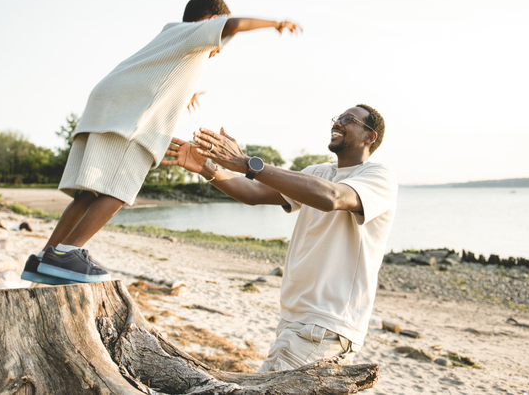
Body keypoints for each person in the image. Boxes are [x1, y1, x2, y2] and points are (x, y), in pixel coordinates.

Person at [21, 0, 301, 285]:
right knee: (119, 187)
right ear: (210, 20)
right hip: (132, 117)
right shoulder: (197, 33)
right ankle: (69, 251)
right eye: (220, 42)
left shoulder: (174, 38)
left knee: (88, 192)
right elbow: (234, 24)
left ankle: (45, 256)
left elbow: (161, 73)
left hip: (108, 105)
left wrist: (186, 92)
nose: (219, 49)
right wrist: (275, 24)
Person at [163, 104, 397, 371]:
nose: (338, 123)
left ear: (370, 136)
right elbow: (253, 193)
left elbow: (333, 198)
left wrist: (248, 163)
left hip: (327, 322)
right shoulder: (318, 173)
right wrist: (208, 169)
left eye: (348, 119)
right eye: (337, 118)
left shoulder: (378, 176)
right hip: (294, 318)